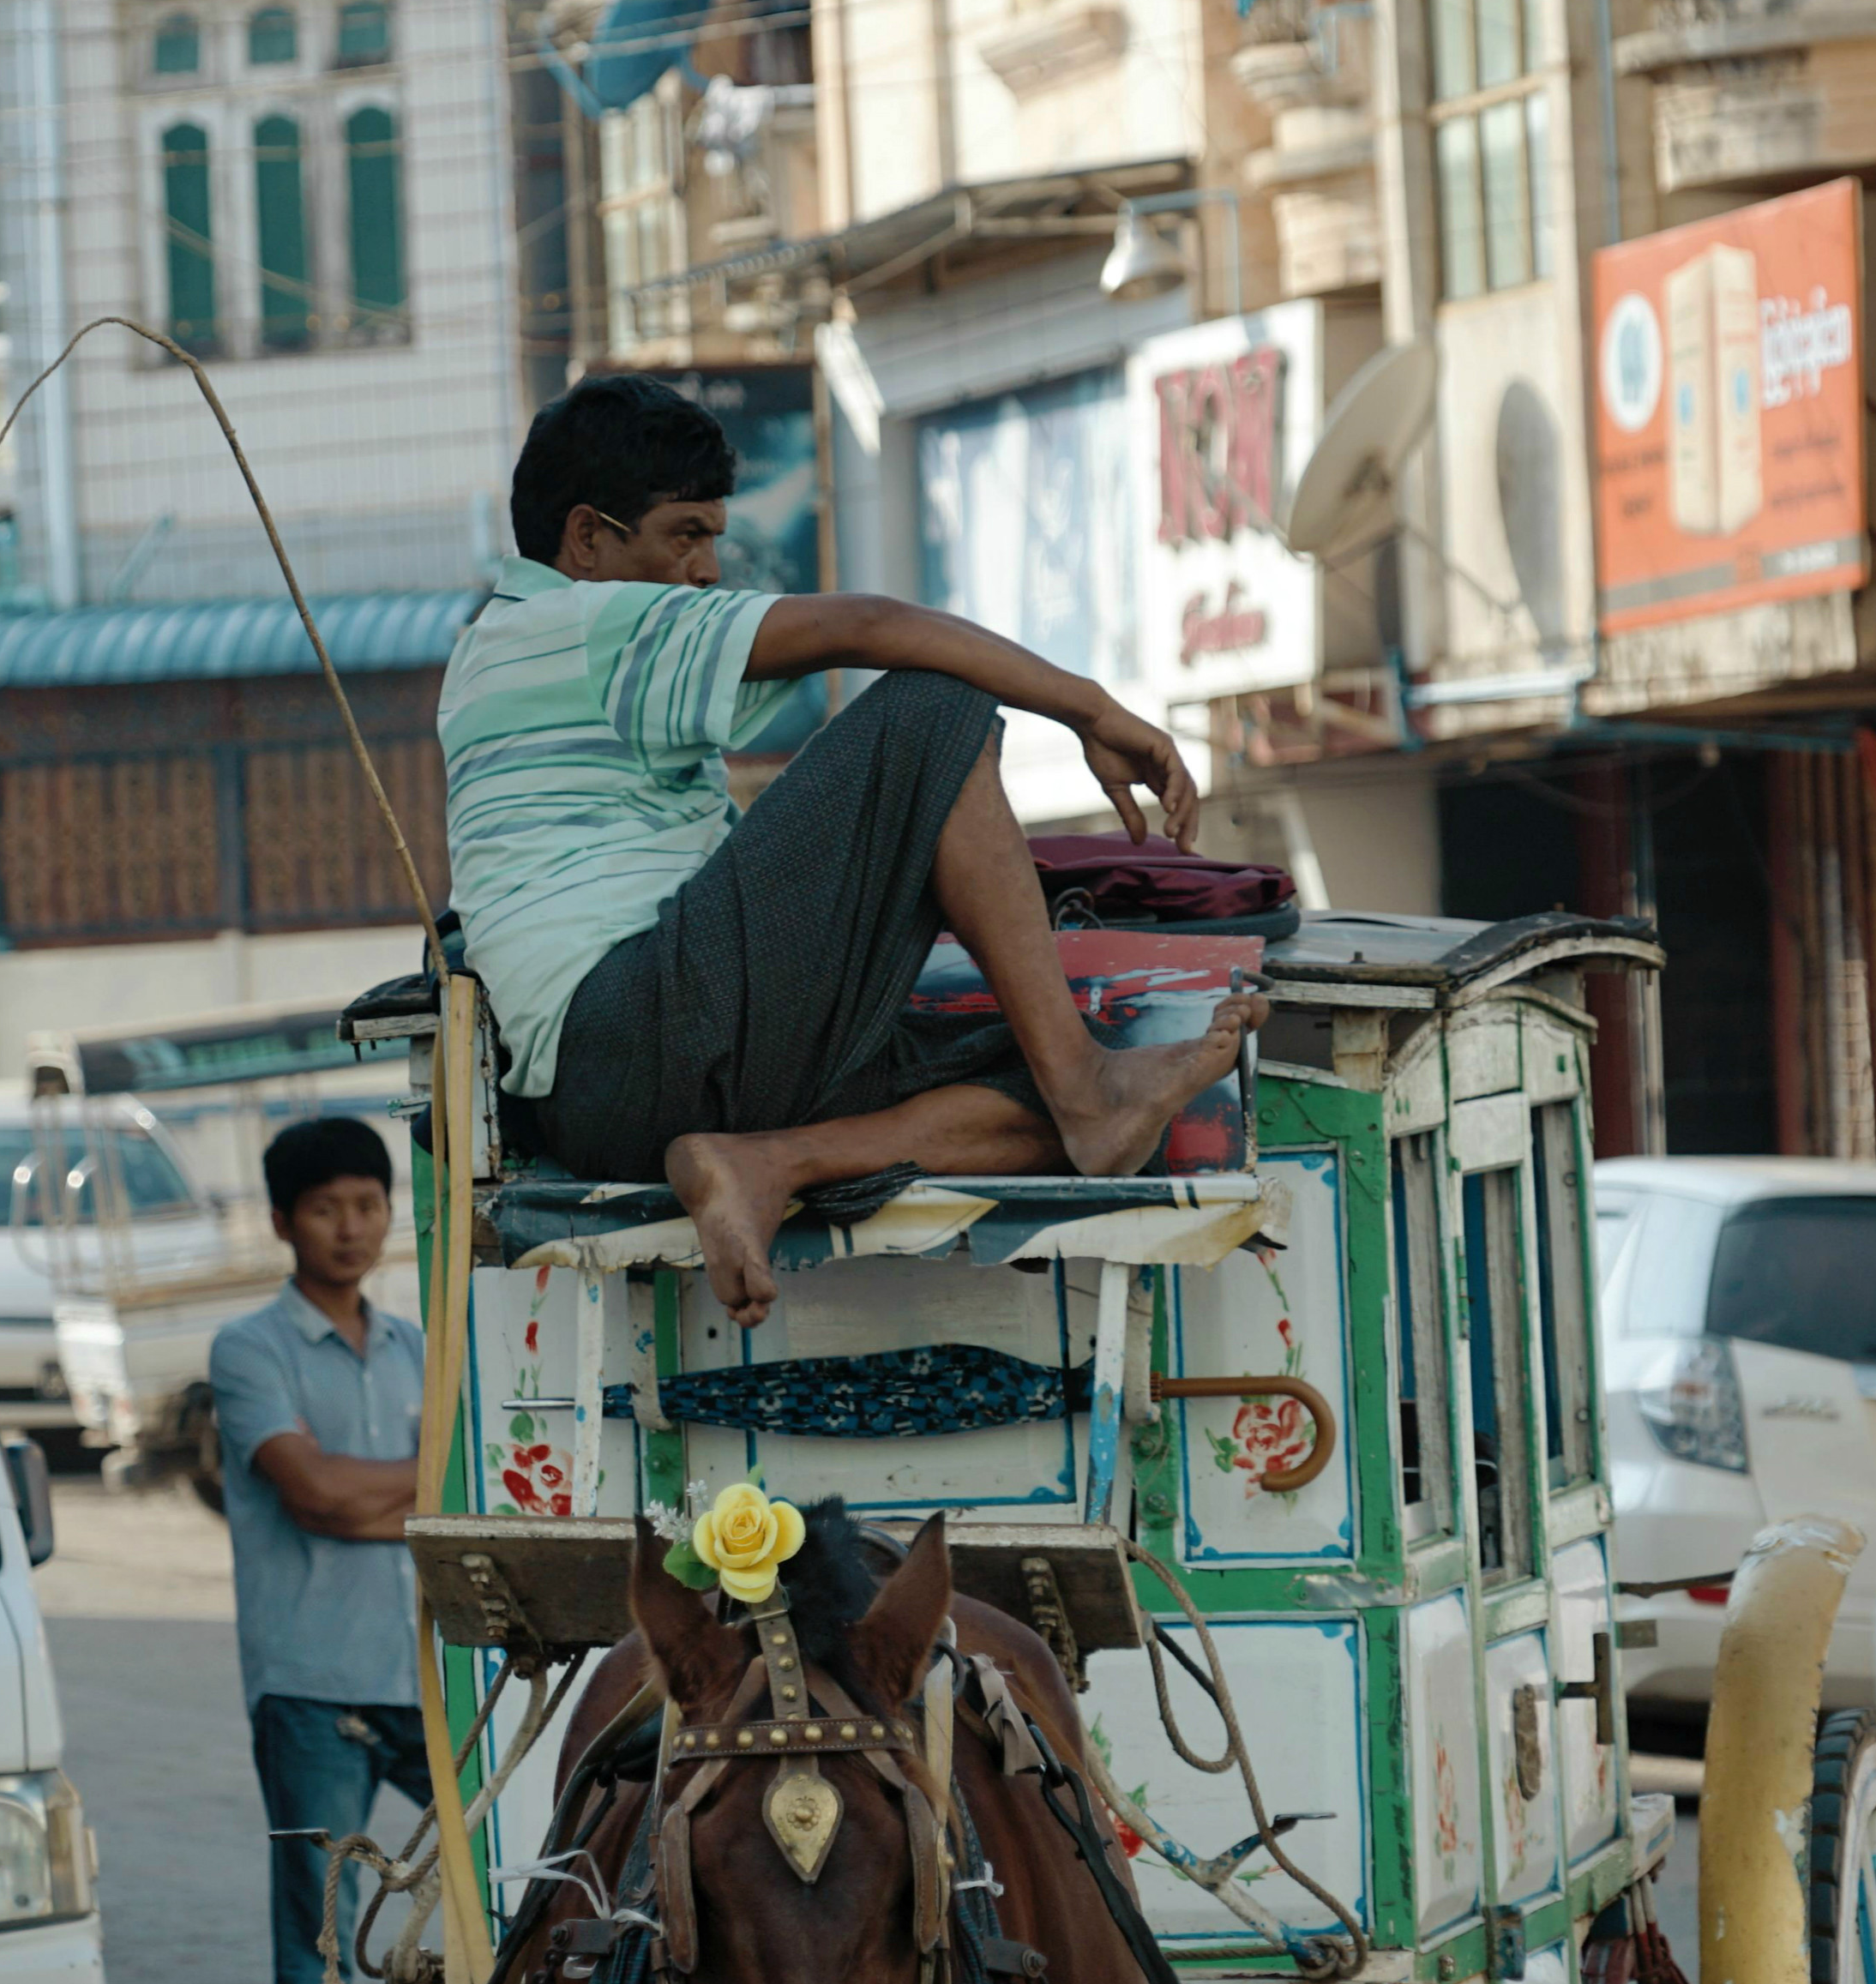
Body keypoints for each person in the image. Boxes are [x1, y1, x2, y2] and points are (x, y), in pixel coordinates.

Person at [440, 375, 1266, 1330]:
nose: (708, 567)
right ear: (587, 539)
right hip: (632, 1028)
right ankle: (1085, 1087)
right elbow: (873, 629)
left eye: (714, 536)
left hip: (620, 1106)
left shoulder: (512, 650)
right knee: (930, 709)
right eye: (683, 536)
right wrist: (1090, 708)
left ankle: (770, 1160)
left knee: (1045, 1100)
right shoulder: (580, 624)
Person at [207, 1118, 432, 1984]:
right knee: (319, 1931)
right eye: (327, 1207)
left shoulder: (421, 1349)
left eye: (369, 1203)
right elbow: (317, 1496)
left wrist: (375, 1495)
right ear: (282, 1222)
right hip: (308, 1683)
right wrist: (414, 1490)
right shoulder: (248, 1347)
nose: (351, 1226)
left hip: (425, 1671)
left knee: (506, 1874)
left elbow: (394, 1496)